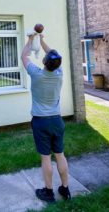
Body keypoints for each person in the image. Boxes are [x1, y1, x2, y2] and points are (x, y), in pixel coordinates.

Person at [21, 33, 71, 203]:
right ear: (58, 64)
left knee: (46, 158)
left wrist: (31, 39)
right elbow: (53, 53)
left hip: (41, 122)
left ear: (44, 62)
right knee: (60, 155)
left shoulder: (36, 74)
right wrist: (42, 40)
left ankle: (48, 193)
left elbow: (24, 55)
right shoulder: (59, 74)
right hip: (57, 121)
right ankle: (65, 189)